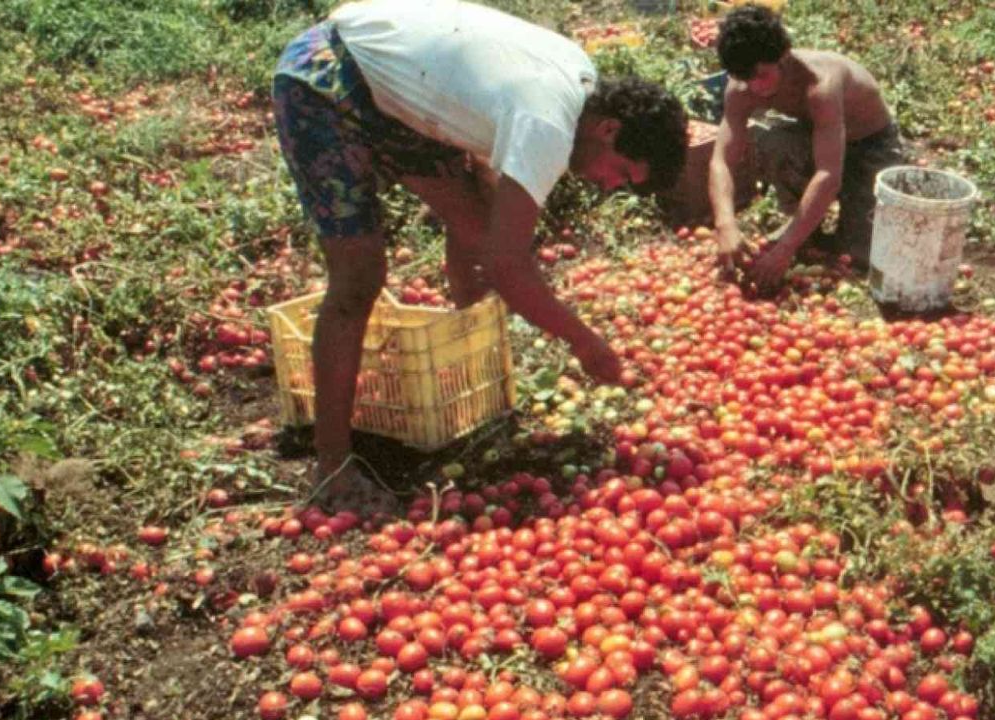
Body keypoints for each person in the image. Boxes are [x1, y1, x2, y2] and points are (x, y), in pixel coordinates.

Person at [272, 0, 687, 512]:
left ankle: (476, 381)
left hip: (394, 91)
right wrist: (585, 342)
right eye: (621, 172)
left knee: (476, 222)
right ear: (609, 130)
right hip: (327, 78)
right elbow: (506, 265)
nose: (608, 185)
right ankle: (332, 465)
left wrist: (487, 257)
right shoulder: (548, 123)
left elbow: (490, 226)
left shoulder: (579, 85)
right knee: (359, 274)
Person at [707, 5, 905, 290]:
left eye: (761, 75)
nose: (755, 87)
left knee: (862, 253)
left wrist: (785, 249)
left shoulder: (820, 85)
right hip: (819, 138)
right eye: (744, 78)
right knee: (774, 141)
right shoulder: (741, 89)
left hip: (871, 145)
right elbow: (721, 160)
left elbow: (828, 174)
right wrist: (724, 223)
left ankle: (812, 228)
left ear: (783, 57)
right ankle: (801, 225)